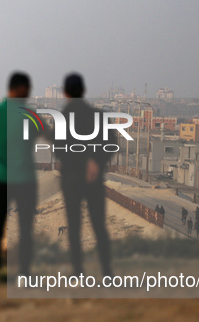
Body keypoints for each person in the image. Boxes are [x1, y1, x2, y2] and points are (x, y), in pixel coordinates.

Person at [0, 72, 38, 289]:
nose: (29, 93)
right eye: (27, 89)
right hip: (24, 179)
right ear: (20, 88)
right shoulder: (29, 115)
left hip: (0, 177)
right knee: (25, 229)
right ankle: (24, 274)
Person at [57, 73, 115, 277]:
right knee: (99, 226)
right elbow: (111, 142)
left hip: (71, 179)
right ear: (84, 91)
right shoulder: (97, 115)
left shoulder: (64, 117)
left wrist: (80, 161)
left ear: (64, 93)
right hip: (94, 179)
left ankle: (78, 273)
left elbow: (60, 149)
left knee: (74, 227)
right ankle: (107, 273)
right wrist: (96, 162)